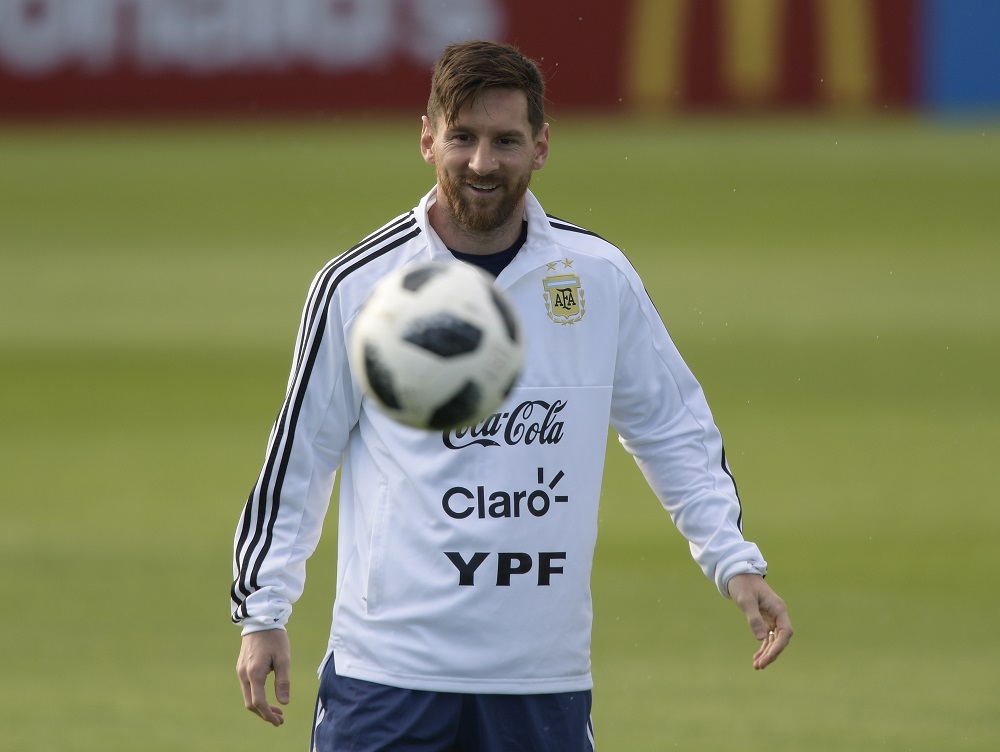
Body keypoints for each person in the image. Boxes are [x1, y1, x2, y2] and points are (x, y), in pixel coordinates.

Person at [232, 40, 792, 751]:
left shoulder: (596, 277)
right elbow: (300, 455)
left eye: (506, 140)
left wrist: (733, 561)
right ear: (427, 137)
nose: (482, 162)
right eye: (462, 137)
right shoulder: (358, 286)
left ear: (543, 145)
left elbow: (670, 427)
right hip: (389, 671)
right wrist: (264, 609)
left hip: (539, 677)